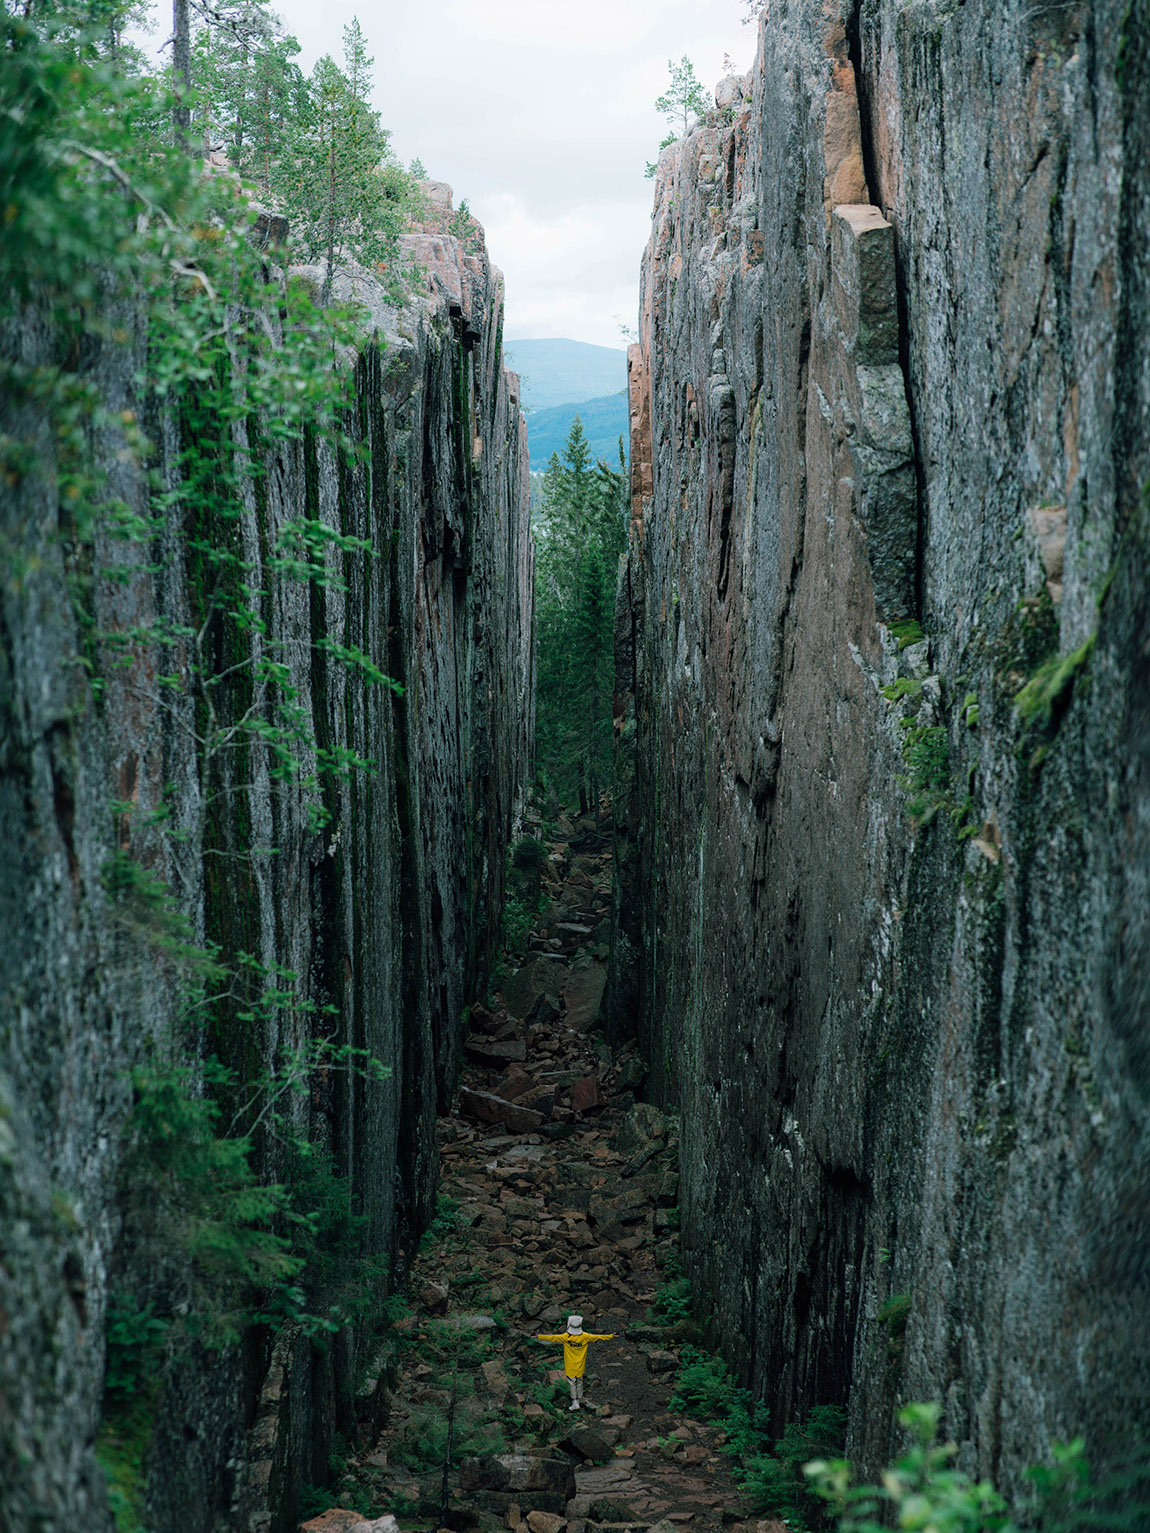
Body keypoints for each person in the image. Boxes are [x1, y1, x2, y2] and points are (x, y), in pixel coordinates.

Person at [536, 1313, 616, 1411]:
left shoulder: (565, 1337)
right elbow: (598, 1337)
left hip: (570, 1365)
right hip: (580, 1365)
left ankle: (575, 1402)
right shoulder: (585, 1337)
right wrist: (611, 1336)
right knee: (579, 1382)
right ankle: (580, 1398)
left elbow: (552, 1338)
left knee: (572, 1383)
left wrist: (538, 1336)